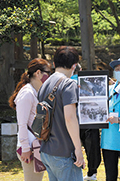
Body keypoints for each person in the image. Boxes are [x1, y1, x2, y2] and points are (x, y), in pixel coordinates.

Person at [38, 46, 85, 181]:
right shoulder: (68, 84)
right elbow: (70, 118)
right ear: (74, 66)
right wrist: (78, 149)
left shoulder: (45, 84)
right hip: (64, 152)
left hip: (47, 150)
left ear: (53, 64)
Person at [8, 58, 51, 181]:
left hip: (36, 145)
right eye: (47, 73)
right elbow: (21, 124)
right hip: (30, 148)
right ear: (38, 73)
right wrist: (26, 149)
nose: (49, 77)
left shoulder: (35, 91)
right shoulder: (27, 93)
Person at [71, 64, 101, 181]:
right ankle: (92, 172)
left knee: (73, 147)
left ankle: (75, 170)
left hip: (72, 120)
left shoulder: (65, 83)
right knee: (92, 148)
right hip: (89, 119)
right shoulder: (88, 82)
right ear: (81, 70)